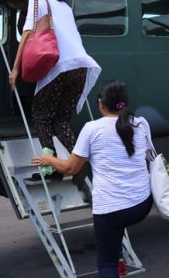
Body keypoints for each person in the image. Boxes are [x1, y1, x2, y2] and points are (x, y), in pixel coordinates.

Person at [31, 80, 152, 278]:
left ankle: (115, 260)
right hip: (142, 204)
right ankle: (120, 258)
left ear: (100, 104)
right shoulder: (141, 123)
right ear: (125, 103)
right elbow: (145, 155)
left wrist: (49, 159)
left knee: (106, 264)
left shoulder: (92, 129)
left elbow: (71, 168)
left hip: (112, 209)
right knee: (117, 220)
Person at [9, 0, 101, 179]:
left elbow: (26, 32)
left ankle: (49, 168)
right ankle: (84, 164)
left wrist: (15, 69)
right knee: (60, 120)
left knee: (41, 117)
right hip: (80, 67)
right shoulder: (66, 8)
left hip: (58, 66)